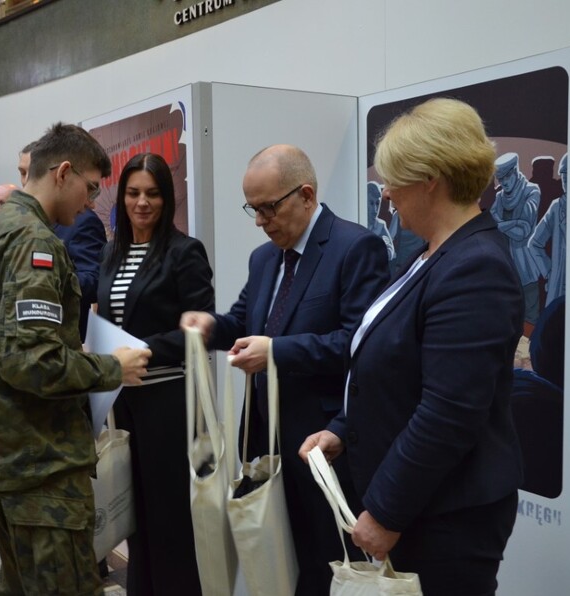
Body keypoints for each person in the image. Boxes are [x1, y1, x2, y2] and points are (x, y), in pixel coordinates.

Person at [299, 98, 525, 596]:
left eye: (394, 182)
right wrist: (342, 430)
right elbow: (393, 371)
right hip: (421, 503)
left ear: (431, 181)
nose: (388, 196)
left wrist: (385, 510)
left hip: (446, 516)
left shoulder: (475, 268)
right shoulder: (431, 254)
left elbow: (448, 412)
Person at [0, 122, 151, 596]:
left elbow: (6, 344)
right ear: (63, 172)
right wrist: (109, 368)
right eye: (90, 188)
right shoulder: (34, 242)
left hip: (8, 454)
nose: (90, 203)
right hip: (36, 462)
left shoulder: (1, 229)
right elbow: (29, 361)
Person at [182, 144, 390, 595]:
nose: (260, 221)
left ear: (307, 195)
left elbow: (360, 344)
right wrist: (209, 326)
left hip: (327, 449)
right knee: (282, 568)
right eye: (252, 209)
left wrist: (276, 352)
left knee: (331, 568)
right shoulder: (265, 258)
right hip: (269, 446)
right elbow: (244, 321)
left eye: (268, 207)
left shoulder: (355, 248)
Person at [97, 153, 214, 595]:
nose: (142, 203)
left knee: (170, 518)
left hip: (168, 404)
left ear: (166, 198)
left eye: (152, 193)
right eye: (132, 193)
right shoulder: (112, 252)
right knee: (133, 514)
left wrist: (139, 350)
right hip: (123, 401)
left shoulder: (185, 252)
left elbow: (200, 329)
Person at [20, 144, 107, 341]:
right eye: (23, 173)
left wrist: (51, 283)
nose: (26, 180)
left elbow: (93, 280)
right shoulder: (25, 229)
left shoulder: (82, 221)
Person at [490, 151, 541, 326]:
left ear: (515, 172)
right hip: (504, 271)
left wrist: (501, 224)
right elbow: (491, 224)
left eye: (506, 177)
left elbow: (524, 232)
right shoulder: (499, 197)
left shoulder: (531, 191)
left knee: (529, 323)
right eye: (500, 178)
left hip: (526, 270)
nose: (503, 183)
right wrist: (514, 222)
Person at [529, 153, 568, 308]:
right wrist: (549, 272)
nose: (567, 181)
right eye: (564, 176)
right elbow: (535, 243)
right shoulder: (557, 206)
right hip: (559, 285)